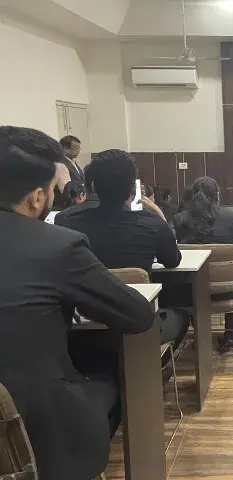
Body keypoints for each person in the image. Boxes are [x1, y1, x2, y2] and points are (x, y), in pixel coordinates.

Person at [0, 126, 155, 480]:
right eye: (54, 190)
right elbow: (137, 316)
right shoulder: (57, 245)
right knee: (112, 365)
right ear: (37, 198)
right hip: (32, 432)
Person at [56, 149, 188, 354]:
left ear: (93, 186)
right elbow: (172, 260)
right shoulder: (152, 223)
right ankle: (152, 365)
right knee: (181, 316)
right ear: (133, 189)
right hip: (137, 328)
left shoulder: (66, 222)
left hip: (80, 332)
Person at [173, 176, 233, 353]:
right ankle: (232, 335)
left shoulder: (179, 220)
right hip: (227, 290)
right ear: (217, 195)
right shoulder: (230, 217)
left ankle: (201, 335)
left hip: (191, 291)